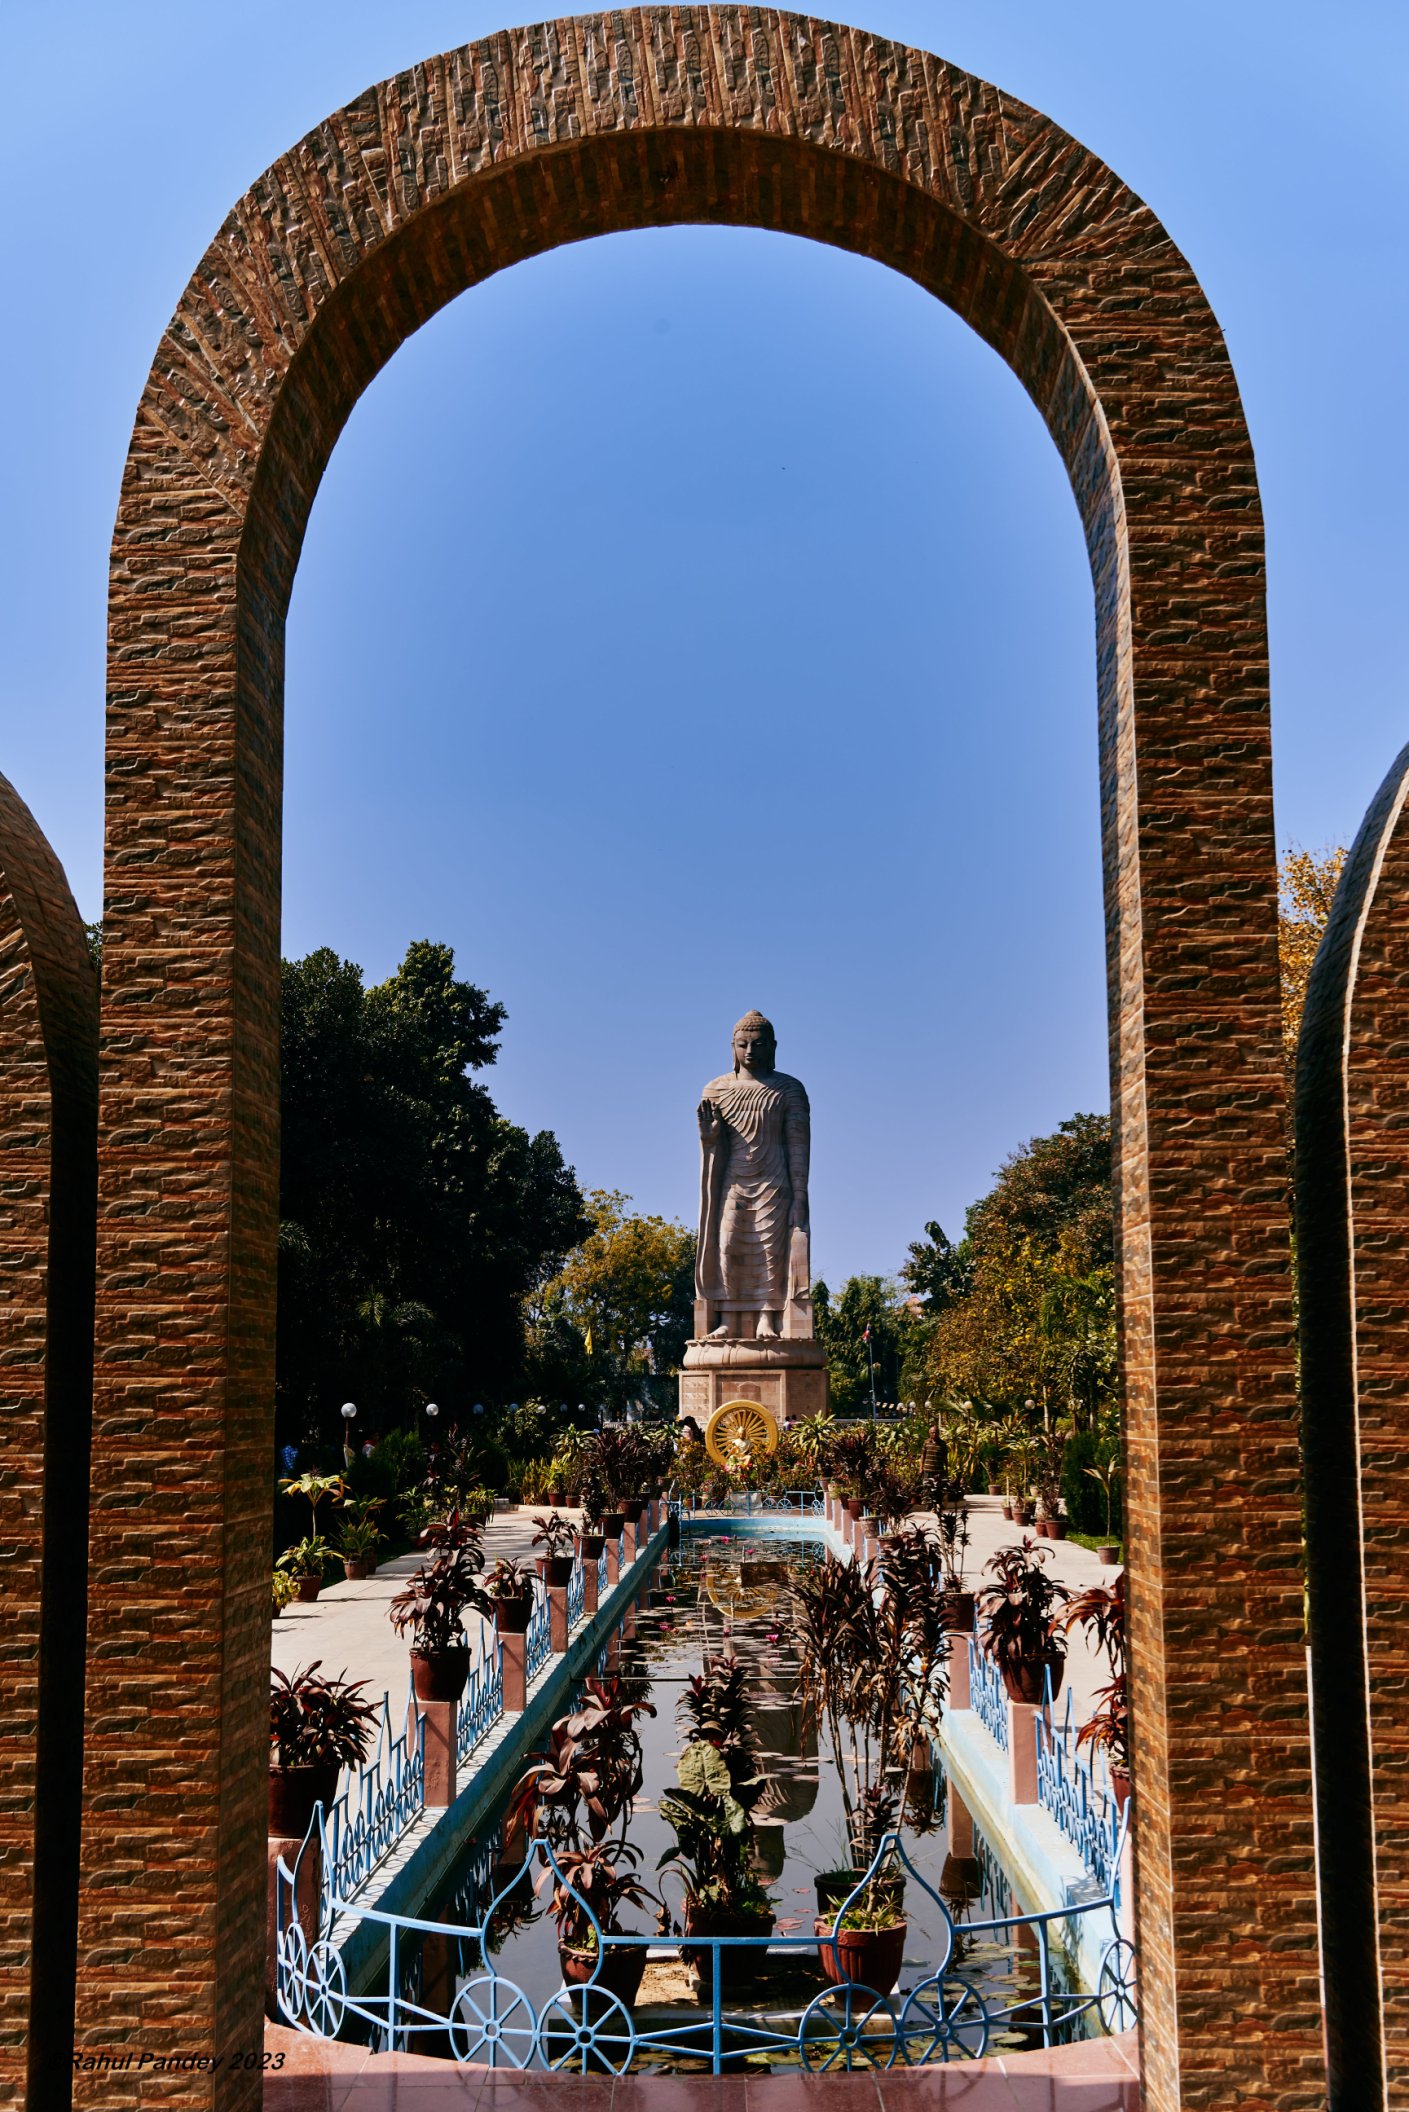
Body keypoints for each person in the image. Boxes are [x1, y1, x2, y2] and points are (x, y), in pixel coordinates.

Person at [695, 1012, 811, 1341]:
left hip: (774, 1181)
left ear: (773, 1047)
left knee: (770, 1252)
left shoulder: (788, 1089)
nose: (750, 1051)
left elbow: (798, 1144)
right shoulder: (716, 1089)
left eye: (758, 1045)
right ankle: (729, 1319)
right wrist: (709, 1138)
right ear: (732, 1047)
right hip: (734, 1181)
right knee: (728, 1247)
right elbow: (711, 1147)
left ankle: (766, 1317)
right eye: (743, 1044)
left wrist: (799, 1194)